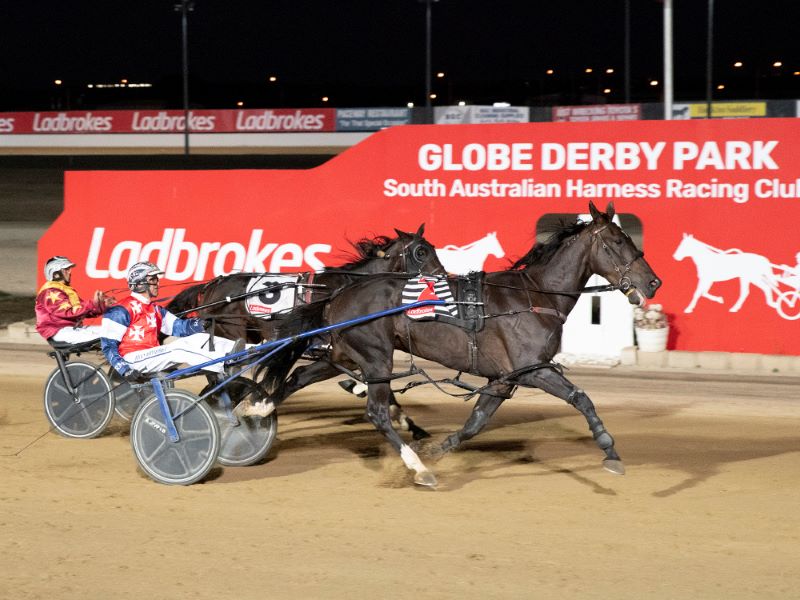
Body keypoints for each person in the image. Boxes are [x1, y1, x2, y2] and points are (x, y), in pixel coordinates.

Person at [100, 261, 245, 381]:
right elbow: (108, 345)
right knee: (178, 348)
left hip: (152, 355)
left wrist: (200, 323)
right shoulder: (120, 310)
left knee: (200, 337)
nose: (157, 283)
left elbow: (179, 327)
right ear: (139, 284)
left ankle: (243, 351)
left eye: (156, 279)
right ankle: (224, 363)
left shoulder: (155, 309)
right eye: (152, 280)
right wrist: (124, 369)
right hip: (132, 359)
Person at [35, 255, 113, 344]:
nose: (69, 272)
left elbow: (83, 311)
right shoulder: (50, 292)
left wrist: (102, 305)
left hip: (71, 329)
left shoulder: (65, 290)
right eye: (66, 269)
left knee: (112, 331)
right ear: (56, 273)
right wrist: (93, 303)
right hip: (59, 331)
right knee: (107, 336)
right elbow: (69, 312)